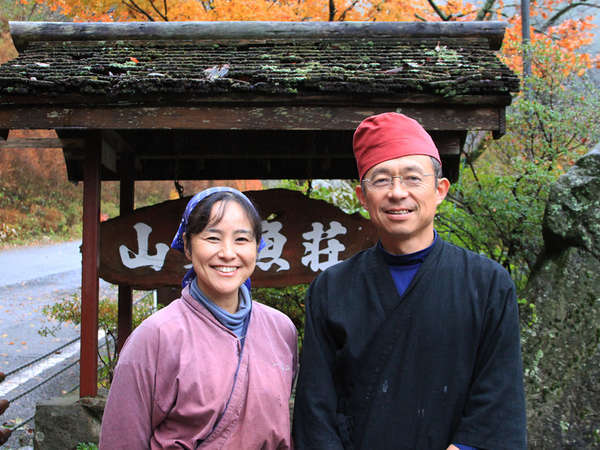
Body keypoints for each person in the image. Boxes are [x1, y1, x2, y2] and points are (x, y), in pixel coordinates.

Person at [293, 113, 526, 450]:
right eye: (382, 180)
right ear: (362, 195)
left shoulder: (488, 284)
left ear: (440, 189)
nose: (397, 193)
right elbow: (315, 410)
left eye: (413, 178)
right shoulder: (331, 289)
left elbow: (498, 403)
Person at [100, 187, 298, 450]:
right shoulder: (156, 336)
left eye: (241, 239)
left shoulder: (281, 330)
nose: (228, 253)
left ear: (257, 247)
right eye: (212, 238)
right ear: (188, 247)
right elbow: (121, 441)